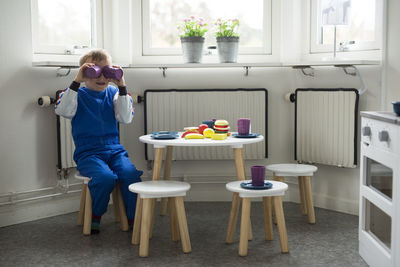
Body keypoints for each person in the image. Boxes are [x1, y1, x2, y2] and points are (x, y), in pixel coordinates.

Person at [55, 49, 143, 234]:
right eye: (94, 70)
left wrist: (122, 85)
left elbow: (126, 118)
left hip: (114, 150)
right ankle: (96, 214)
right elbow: (63, 111)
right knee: (105, 178)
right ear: (84, 73)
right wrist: (76, 80)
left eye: (107, 71)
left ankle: (133, 216)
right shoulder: (75, 93)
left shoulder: (113, 93)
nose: (102, 76)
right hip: (88, 153)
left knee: (130, 175)